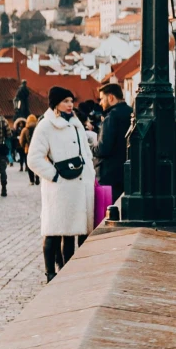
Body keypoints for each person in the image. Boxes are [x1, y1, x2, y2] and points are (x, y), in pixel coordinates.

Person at [26, 87, 96, 279]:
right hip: (60, 188)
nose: (69, 105)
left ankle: (69, 271)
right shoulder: (46, 126)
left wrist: (90, 174)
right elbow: (33, 159)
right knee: (54, 230)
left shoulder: (75, 124)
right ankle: (50, 273)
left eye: (71, 101)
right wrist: (55, 176)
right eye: (65, 101)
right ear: (55, 103)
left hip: (80, 185)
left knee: (74, 231)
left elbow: (85, 153)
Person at [92, 82, 129, 226]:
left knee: (106, 217)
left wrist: (91, 148)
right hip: (125, 173)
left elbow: (103, 148)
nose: (101, 103)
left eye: (102, 99)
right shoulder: (131, 112)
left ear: (111, 98)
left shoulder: (111, 117)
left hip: (108, 175)